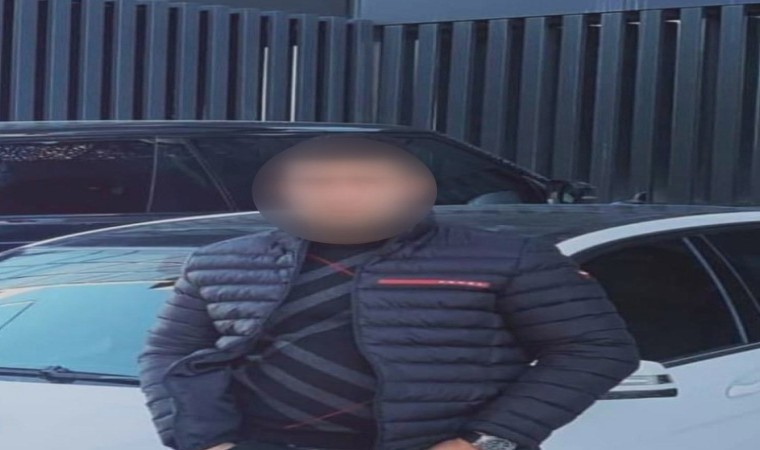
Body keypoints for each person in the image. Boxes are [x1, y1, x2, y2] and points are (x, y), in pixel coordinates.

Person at [137, 134, 641, 450]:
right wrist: (204, 440)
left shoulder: (509, 257)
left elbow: (595, 348)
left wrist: (488, 439)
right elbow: (170, 351)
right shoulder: (222, 261)